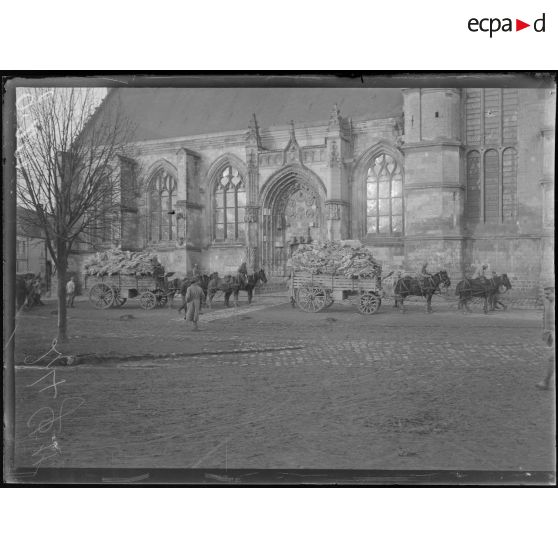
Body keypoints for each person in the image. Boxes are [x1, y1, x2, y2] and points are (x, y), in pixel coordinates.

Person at [536, 285, 555, 390]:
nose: (546, 296)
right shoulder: (546, 302)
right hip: (550, 333)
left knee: (552, 358)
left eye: (548, 294)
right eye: (545, 294)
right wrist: (545, 332)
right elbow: (545, 317)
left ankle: (546, 382)